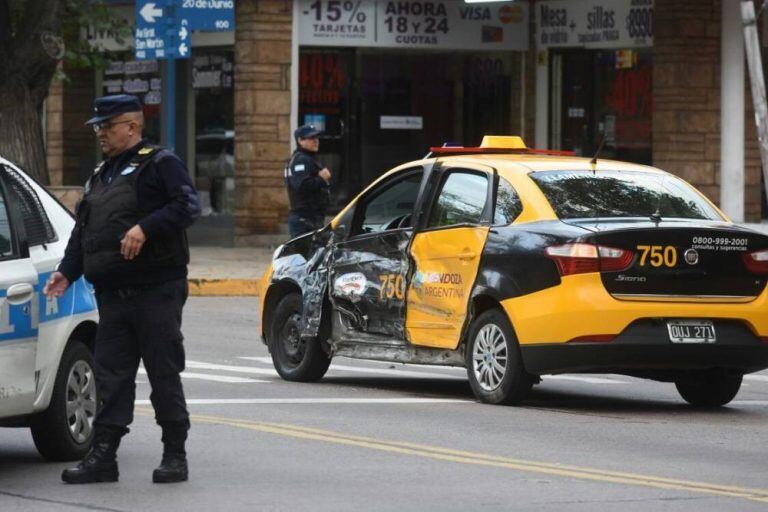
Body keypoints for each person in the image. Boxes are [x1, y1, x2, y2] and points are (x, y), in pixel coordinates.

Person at [44, 94, 201, 484]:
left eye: (107, 126)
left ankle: (174, 455)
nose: (100, 133)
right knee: (111, 378)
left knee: (163, 373)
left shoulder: (160, 164)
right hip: (112, 295)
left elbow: (188, 205)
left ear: (132, 127)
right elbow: (84, 232)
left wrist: (145, 227)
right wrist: (67, 271)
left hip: (156, 290)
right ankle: (103, 457)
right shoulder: (102, 175)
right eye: (99, 126)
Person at [285, 124, 331, 237]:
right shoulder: (301, 159)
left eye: (317, 138)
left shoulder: (308, 158)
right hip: (304, 220)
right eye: (311, 138)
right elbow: (301, 186)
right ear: (300, 140)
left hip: (311, 219)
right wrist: (321, 178)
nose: (316, 141)